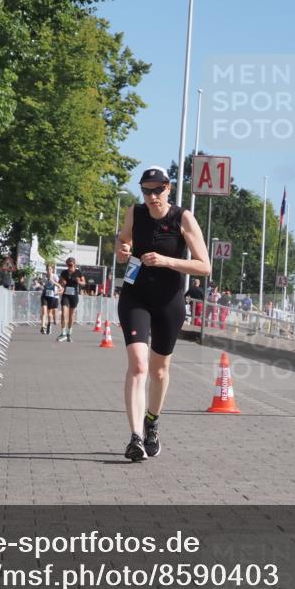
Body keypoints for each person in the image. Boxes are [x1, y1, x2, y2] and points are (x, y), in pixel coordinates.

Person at [115, 166, 211, 461]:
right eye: (147, 190)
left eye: (158, 190)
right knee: (139, 366)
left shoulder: (182, 218)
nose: (152, 196)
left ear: (168, 189)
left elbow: (204, 266)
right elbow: (122, 241)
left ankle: (152, 423)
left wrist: (167, 260)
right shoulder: (135, 212)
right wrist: (122, 249)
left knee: (158, 371)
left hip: (169, 301)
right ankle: (135, 438)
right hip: (135, 297)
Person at [56, 257, 86, 342]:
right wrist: (62, 283)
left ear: (74, 265)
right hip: (66, 295)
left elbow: (84, 283)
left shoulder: (78, 272)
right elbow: (59, 282)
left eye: (70, 265)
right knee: (63, 313)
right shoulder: (64, 272)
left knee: (71, 315)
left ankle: (69, 333)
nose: (69, 267)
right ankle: (63, 333)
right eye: (67, 265)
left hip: (74, 295)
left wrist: (79, 282)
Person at [40, 264, 61, 335]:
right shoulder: (44, 277)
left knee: (49, 313)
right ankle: (43, 327)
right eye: (47, 269)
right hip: (45, 296)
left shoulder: (55, 276)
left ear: (52, 270)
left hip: (52, 296)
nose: (48, 271)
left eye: (50, 269)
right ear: (46, 270)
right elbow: (42, 285)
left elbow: (59, 286)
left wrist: (53, 282)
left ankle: (49, 325)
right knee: (44, 312)